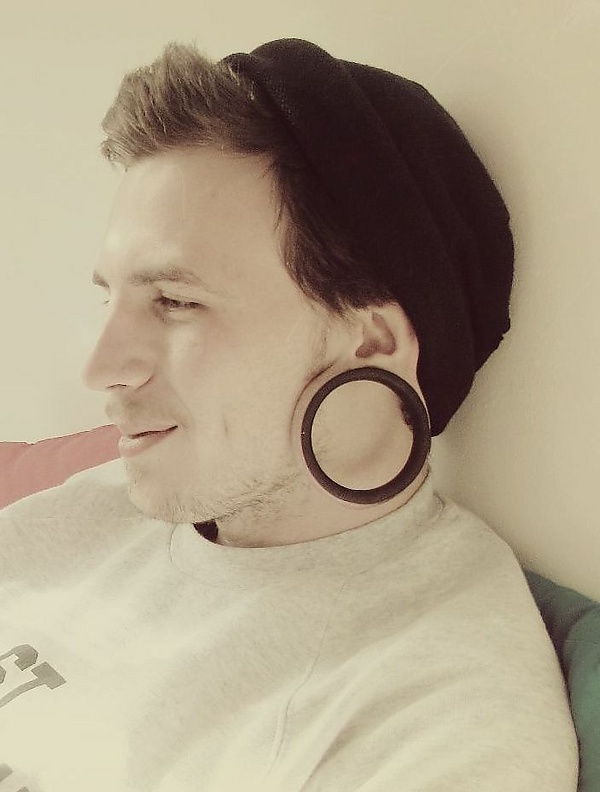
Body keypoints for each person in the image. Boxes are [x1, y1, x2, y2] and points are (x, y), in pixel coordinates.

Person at [0, 38, 578, 791]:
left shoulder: (438, 726)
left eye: (175, 301)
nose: (100, 369)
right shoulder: (94, 509)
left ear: (371, 344)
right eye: (111, 297)